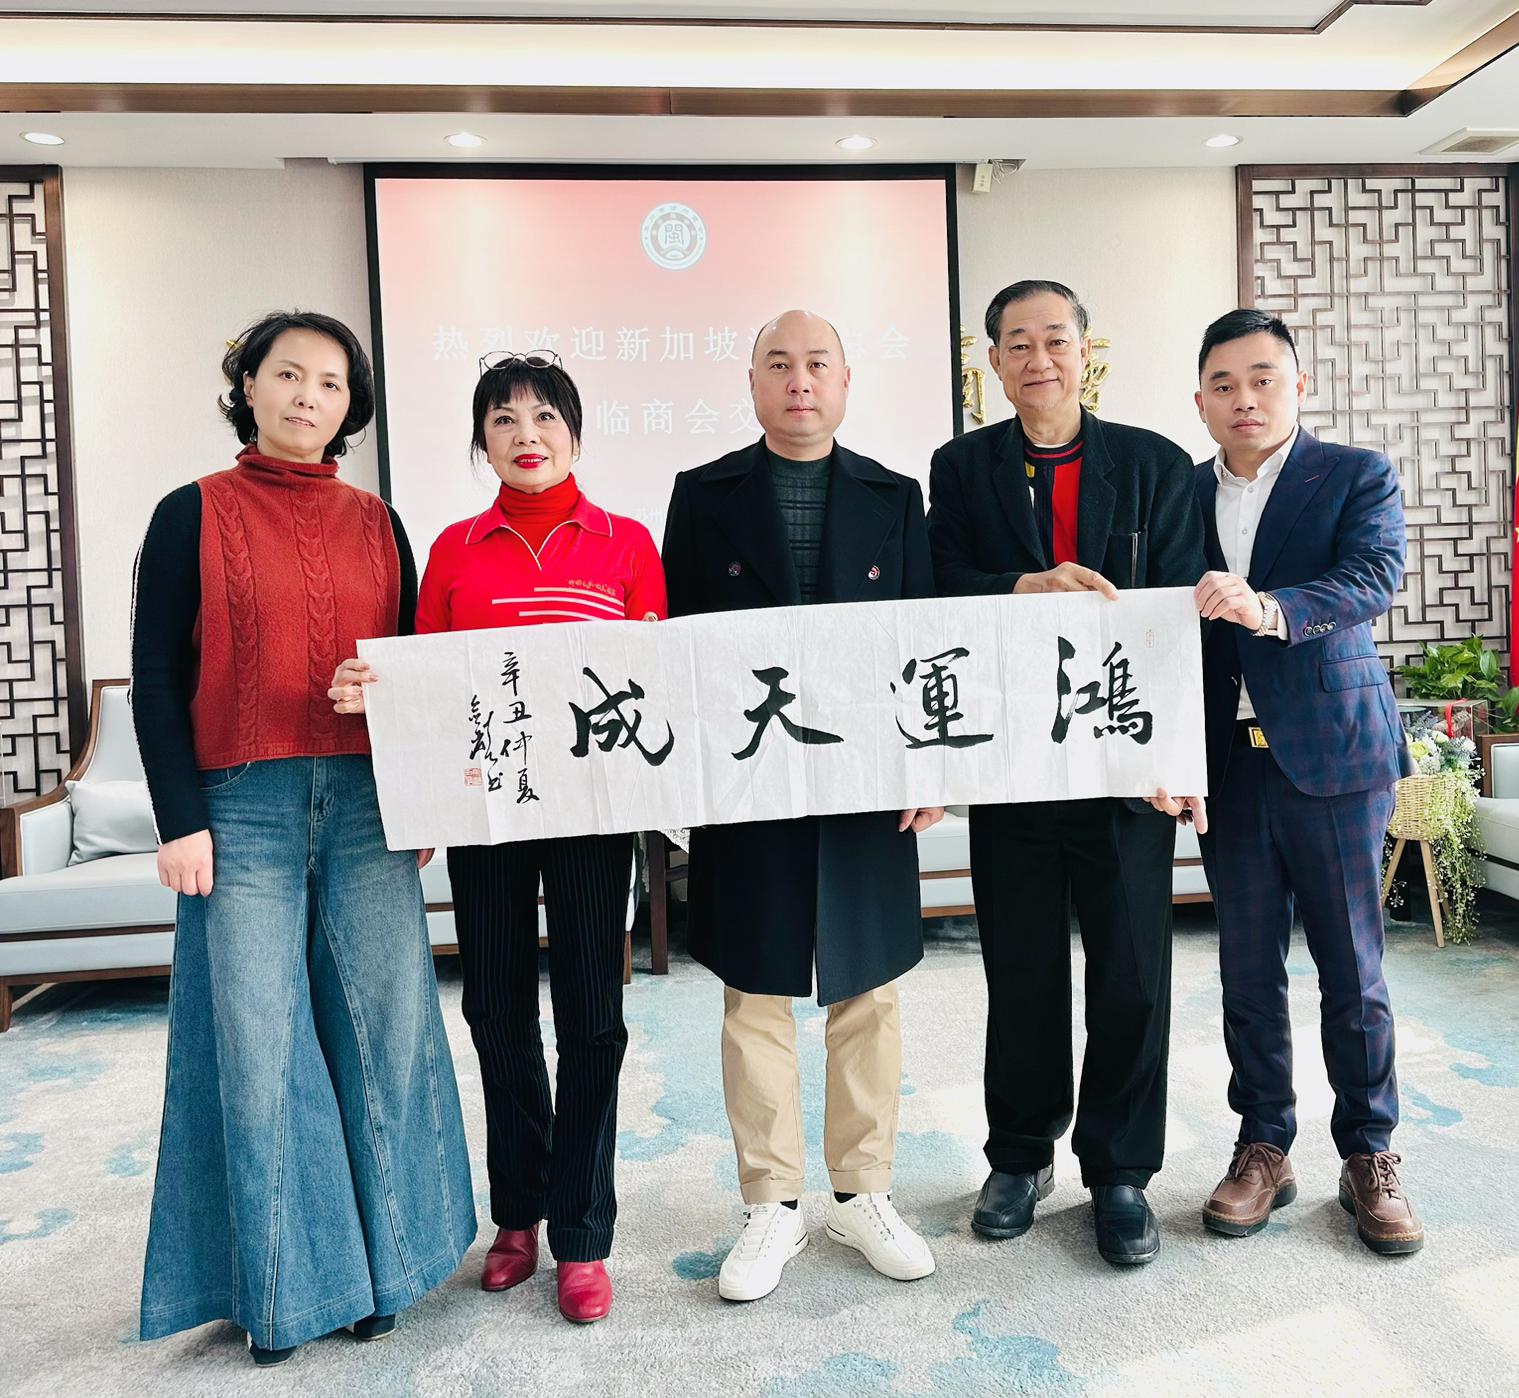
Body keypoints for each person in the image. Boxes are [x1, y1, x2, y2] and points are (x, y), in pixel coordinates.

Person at [132, 310, 475, 1366]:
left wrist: (410, 768)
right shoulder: (190, 512)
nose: (308, 397)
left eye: (330, 384)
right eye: (288, 375)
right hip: (241, 807)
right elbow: (154, 676)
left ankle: (388, 1272)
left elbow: (414, 666)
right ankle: (291, 1288)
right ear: (249, 387)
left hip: (368, 803)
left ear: (349, 407)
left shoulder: (380, 522)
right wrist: (181, 820)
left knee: (386, 1030)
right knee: (258, 1042)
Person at [331, 351, 665, 1323]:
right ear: (482, 441)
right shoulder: (453, 549)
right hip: (487, 811)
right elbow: (424, 687)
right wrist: (415, 789)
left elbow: (655, 680)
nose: (526, 435)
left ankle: (583, 1232)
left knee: (593, 1018)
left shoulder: (627, 543)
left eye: (544, 416)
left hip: (592, 813)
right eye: (504, 419)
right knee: (496, 1009)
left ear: (575, 433)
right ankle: (518, 1212)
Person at [662, 310, 943, 1303]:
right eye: (778, 364)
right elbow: (678, 646)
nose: (799, 381)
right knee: (756, 989)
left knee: (869, 987)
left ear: (845, 380)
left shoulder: (893, 495)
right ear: (751, 383)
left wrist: (926, 767)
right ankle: (771, 1202)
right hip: (751, 775)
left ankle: (863, 1192)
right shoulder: (703, 495)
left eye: (816, 363)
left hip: (865, 777)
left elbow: (922, 638)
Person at [927, 279, 1206, 1266]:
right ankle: (1019, 1155)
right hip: (1016, 761)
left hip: (1127, 766)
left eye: (1055, 339)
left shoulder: (1156, 464)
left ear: (1087, 352)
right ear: (993, 363)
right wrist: (1023, 587)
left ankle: (1121, 1171)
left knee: (1133, 972)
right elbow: (937, 587)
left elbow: (1180, 616)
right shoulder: (961, 467)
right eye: (1017, 343)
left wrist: (1177, 756)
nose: (1037, 358)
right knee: (1022, 971)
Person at [1172, 307, 1420, 1254]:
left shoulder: (1355, 473)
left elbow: (1373, 576)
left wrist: (1271, 608)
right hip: (1226, 764)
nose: (1245, 398)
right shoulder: (1178, 492)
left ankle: (1370, 1154)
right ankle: (1263, 1145)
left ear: (1298, 385)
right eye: (1224, 384)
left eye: (1263, 378)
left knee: (1352, 969)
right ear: (1200, 401)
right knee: (1246, 968)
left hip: (1335, 757)